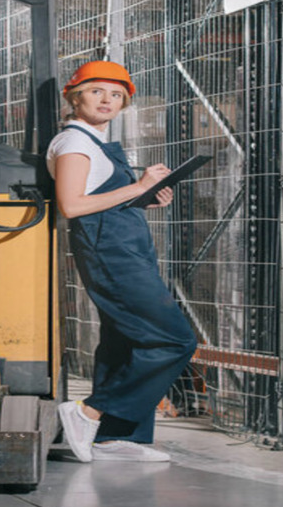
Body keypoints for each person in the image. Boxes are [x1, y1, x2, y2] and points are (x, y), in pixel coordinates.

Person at [47, 60, 198, 463]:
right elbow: (72, 205)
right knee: (174, 339)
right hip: (110, 254)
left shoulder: (93, 142)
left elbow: (101, 199)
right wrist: (137, 185)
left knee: (125, 341)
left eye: (116, 95)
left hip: (125, 249)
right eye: (96, 91)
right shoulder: (74, 144)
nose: (107, 100)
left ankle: (114, 439)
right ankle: (89, 411)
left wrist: (142, 198)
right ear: (75, 96)